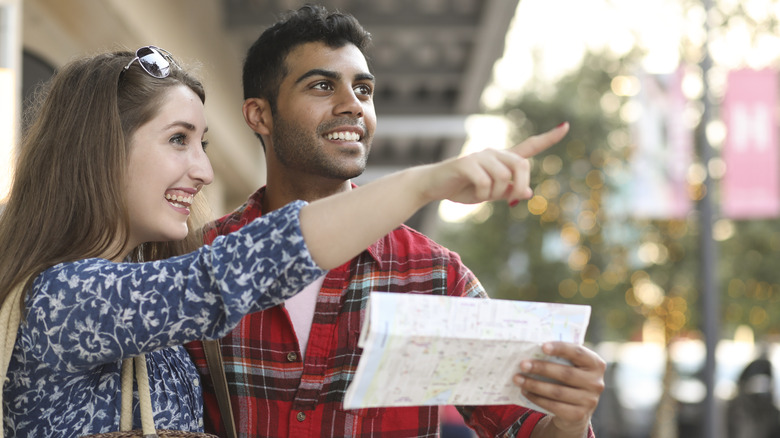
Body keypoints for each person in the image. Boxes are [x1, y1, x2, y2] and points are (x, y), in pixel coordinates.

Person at [0, 45, 562, 438]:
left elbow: (521, 416)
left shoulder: (432, 271)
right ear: (102, 150)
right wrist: (425, 180)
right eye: (178, 140)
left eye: (204, 144)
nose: (203, 172)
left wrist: (564, 406)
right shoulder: (62, 297)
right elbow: (237, 271)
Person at [185, 4, 605, 438]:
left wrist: (570, 419)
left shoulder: (433, 275)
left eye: (364, 90)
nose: (352, 105)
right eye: (322, 86)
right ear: (260, 115)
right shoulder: (196, 261)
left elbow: (522, 428)